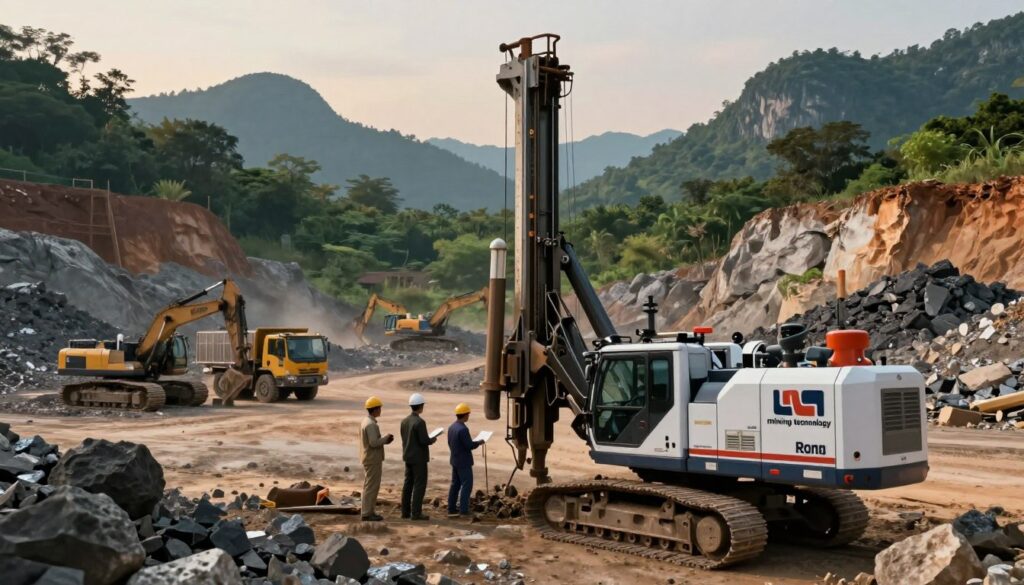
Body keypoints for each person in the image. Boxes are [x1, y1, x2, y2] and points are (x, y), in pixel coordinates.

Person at [400, 392, 437, 520]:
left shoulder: (404, 421)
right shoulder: (420, 422)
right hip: (419, 459)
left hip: (408, 457)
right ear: (421, 406)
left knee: (408, 485)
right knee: (419, 485)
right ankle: (416, 513)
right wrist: (432, 439)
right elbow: (424, 441)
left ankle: (405, 512)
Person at [359, 395, 393, 521]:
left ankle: (368, 511)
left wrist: (384, 440)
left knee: (369, 485)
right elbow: (373, 443)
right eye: (379, 408)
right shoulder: (371, 424)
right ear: (375, 409)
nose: (380, 410)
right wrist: (385, 439)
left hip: (369, 458)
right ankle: (368, 513)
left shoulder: (365, 421)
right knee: (372, 486)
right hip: (372, 459)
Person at [447, 402, 483, 518]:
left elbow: (450, 443)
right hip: (464, 462)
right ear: (465, 415)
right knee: (467, 485)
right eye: (468, 414)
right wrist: (479, 442)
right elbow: (469, 445)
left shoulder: (452, 427)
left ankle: (451, 508)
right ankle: (463, 510)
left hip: (455, 460)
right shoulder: (463, 429)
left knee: (455, 485)